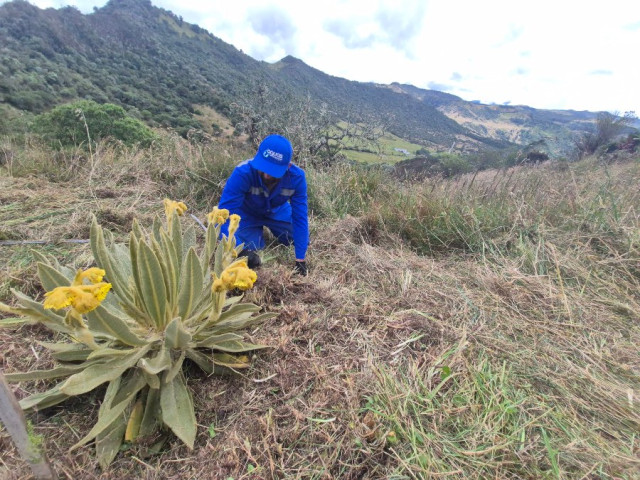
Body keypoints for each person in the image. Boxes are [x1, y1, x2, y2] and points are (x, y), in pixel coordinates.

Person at [217, 134, 309, 275]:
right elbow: (224, 214)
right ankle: (255, 233)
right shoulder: (242, 173)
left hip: (278, 211)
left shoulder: (297, 178)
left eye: (273, 171)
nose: (267, 175)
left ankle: (274, 229)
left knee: (296, 240)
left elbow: (300, 217)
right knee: (251, 246)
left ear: (288, 166)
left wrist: (300, 259)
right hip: (246, 214)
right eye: (264, 167)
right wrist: (239, 250)